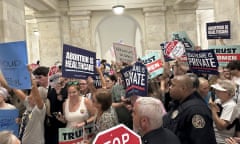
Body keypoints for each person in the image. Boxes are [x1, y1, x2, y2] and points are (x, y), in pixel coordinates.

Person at [163, 74, 217, 144]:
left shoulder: (197, 110)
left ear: (183, 88)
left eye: (173, 85)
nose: (170, 88)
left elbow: (201, 140)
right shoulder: (177, 103)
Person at [210, 79, 238, 144]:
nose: (216, 91)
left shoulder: (231, 105)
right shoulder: (218, 101)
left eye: (219, 91)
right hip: (212, 136)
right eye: (216, 90)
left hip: (222, 140)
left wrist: (213, 111)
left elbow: (221, 126)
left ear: (228, 93)